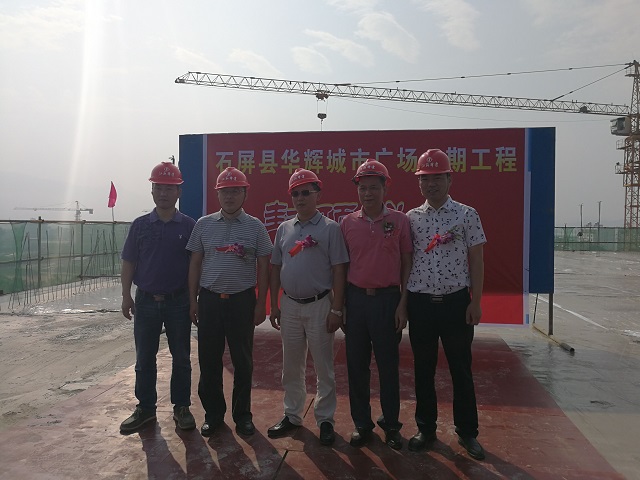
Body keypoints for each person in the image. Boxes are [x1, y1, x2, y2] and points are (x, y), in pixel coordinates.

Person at [405, 148, 487, 460]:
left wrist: (475, 302)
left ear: (449, 179)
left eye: (437, 177)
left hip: (456, 303)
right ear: (419, 183)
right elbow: (406, 263)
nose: (431, 184)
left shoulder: (467, 215)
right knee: (423, 369)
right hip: (421, 304)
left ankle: (467, 433)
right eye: (425, 179)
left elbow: (477, 261)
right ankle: (425, 429)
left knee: (460, 369)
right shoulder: (411, 219)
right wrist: (404, 304)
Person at [186, 166, 272, 438]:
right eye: (225, 192)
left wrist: (261, 304)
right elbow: (195, 263)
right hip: (210, 301)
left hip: (241, 301)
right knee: (209, 360)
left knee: (242, 361)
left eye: (235, 191)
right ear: (217, 195)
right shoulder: (203, 225)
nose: (230, 197)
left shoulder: (256, 227)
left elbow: (264, 266)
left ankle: (243, 416)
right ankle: (213, 415)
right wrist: (193, 300)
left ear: (245, 193)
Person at [267, 169, 349, 446]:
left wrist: (337, 309)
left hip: (319, 305)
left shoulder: (330, 228)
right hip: (289, 305)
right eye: (295, 193)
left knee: (324, 367)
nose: (300, 198)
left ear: (318, 195)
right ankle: (292, 415)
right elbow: (276, 267)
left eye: (306, 192)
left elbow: (339, 270)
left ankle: (325, 419)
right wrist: (275, 304)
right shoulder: (284, 229)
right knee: (291, 366)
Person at [340, 159, 413, 450]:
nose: (368, 193)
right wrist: (341, 305)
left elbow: (407, 263)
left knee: (388, 367)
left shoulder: (400, 221)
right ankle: (362, 424)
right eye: (363, 188)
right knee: (356, 367)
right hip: (356, 300)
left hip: (388, 301)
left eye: (373, 187)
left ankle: (391, 425)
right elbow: (341, 267)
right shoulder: (347, 223)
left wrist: (403, 303)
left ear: (385, 189)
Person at [119, 161, 197, 434]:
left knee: (182, 358)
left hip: (179, 302)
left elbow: (195, 266)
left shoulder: (189, 226)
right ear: (152, 191)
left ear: (178, 192)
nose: (163, 193)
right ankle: (146, 408)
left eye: (169, 188)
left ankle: (182, 407)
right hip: (146, 301)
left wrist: (193, 301)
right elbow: (129, 262)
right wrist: (126, 296)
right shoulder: (140, 225)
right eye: (159, 188)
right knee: (144, 358)